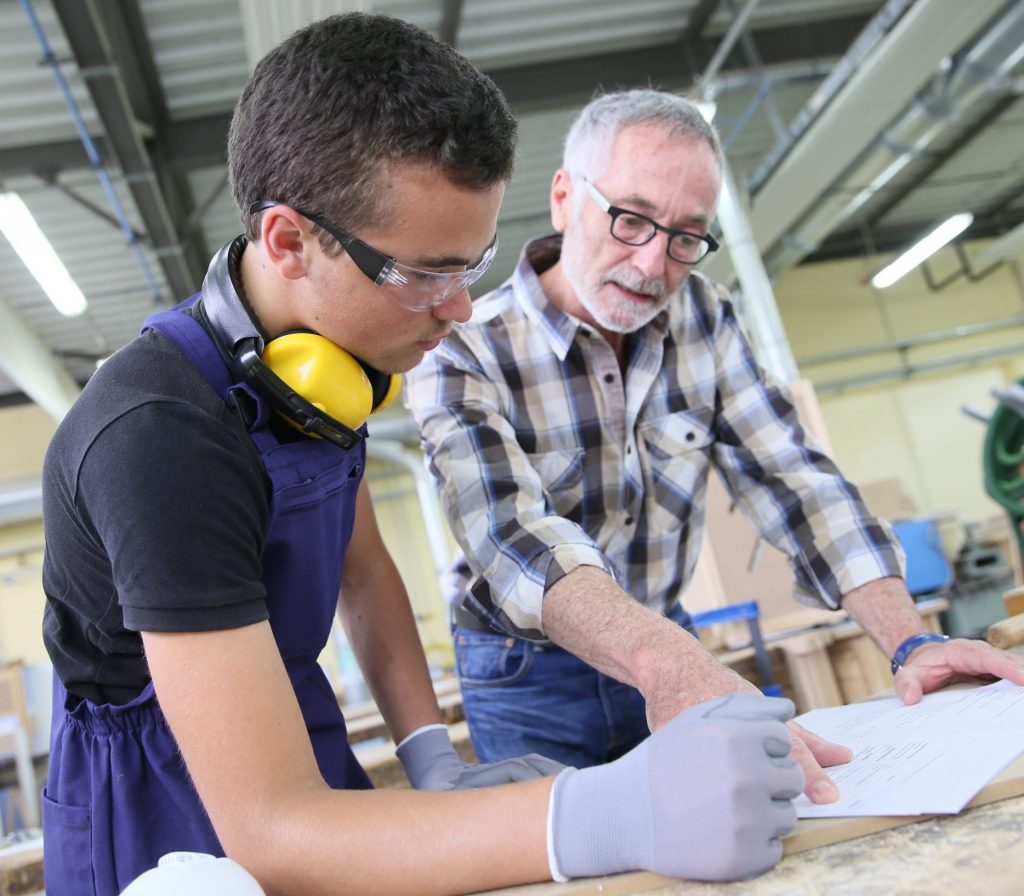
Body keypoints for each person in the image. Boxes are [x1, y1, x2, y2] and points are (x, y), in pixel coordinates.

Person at [40, 17, 805, 896]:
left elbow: (362, 572)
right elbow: (273, 831)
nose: (461, 311)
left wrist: (430, 754)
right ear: (288, 241)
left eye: (472, 266)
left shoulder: (320, 369)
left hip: (290, 747)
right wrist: (603, 813)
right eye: (425, 274)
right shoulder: (159, 436)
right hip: (164, 811)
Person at [405, 88, 1024, 802]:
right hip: (524, 673)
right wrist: (670, 663)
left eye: (686, 238)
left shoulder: (707, 315)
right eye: (631, 220)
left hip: (669, 638)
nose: (651, 265)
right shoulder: (462, 350)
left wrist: (913, 641)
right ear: (565, 197)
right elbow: (513, 534)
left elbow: (795, 480)